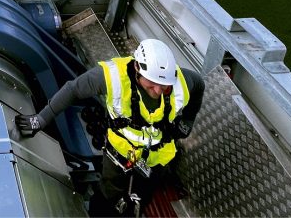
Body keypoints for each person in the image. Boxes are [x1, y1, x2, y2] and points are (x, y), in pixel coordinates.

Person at [16, 39, 205, 217]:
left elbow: (199, 85)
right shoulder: (111, 77)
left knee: (143, 195)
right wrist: (41, 119)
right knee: (108, 193)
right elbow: (73, 89)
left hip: (158, 158)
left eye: (163, 86)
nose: (157, 91)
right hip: (120, 153)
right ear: (137, 68)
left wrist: (188, 121)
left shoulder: (180, 81)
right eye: (152, 84)